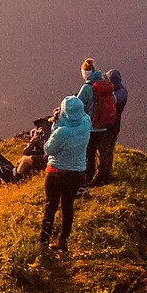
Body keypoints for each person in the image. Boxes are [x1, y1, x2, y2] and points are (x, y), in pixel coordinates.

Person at [40, 95, 91, 252]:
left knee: (51, 206)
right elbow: (78, 120)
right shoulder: (86, 123)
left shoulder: (61, 132)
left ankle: (43, 242)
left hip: (56, 172)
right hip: (77, 173)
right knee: (67, 205)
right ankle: (63, 240)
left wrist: (55, 123)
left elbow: (49, 149)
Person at [75, 60, 113, 194]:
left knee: (88, 154)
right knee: (99, 152)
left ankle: (85, 180)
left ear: (85, 73)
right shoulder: (105, 84)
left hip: (90, 126)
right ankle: (99, 177)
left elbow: (77, 105)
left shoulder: (87, 88)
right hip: (104, 126)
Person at [96, 69, 129, 184]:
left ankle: (100, 177)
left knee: (102, 149)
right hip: (117, 123)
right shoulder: (123, 91)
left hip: (109, 124)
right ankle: (107, 175)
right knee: (110, 149)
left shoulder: (113, 96)